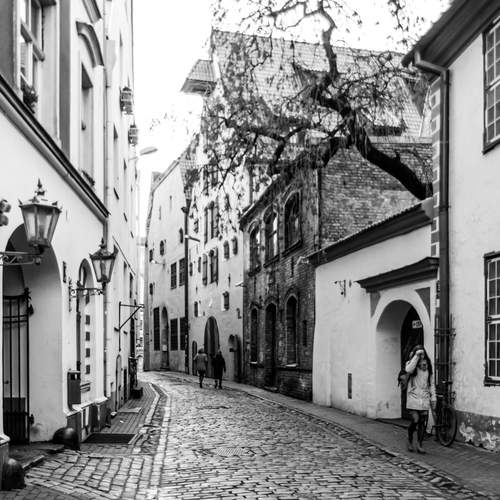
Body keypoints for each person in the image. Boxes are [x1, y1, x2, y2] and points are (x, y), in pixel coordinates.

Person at [405, 344, 436, 454]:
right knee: (415, 420)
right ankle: (409, 439)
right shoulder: (411, 364)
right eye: (418, 353)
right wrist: (416, 356)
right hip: (413, 397)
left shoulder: (428, 367)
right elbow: (408, 369)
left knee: (422, 422)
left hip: (424, 398)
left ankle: (419, 444)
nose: (421, 355)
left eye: (422, 352)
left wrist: (433, 398)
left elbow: (431, 384)